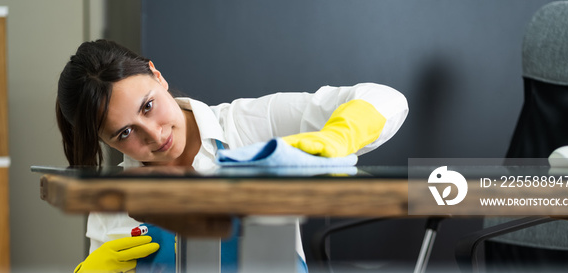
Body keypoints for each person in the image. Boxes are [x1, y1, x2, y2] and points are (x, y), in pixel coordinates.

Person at [55, 39, 409, 273]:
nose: (155, 134)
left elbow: (387, 99)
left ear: (157, 76)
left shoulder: (251, 124)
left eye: (148, 106)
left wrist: (339, 136)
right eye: (125, 133)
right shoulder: (114, 198)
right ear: (108, 143)